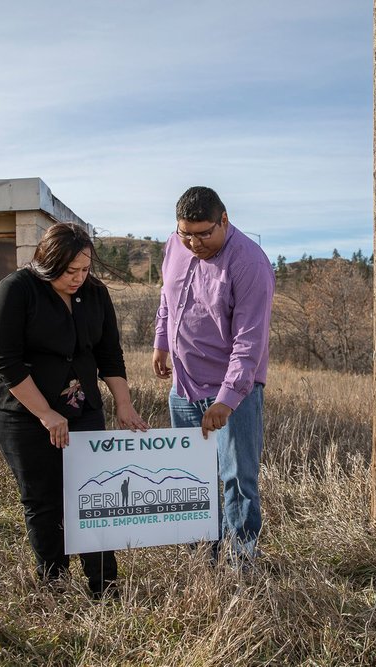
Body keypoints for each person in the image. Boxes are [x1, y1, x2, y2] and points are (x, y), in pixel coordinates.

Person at [0, 222, 148, 598]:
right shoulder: (16, 290)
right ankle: (55, 587)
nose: (78, 278)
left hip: (84, 410)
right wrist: (46, 413)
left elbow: (109, 354)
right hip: (27, 417)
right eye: (69, 271)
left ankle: (105, 590)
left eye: (85, 269)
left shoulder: (94, 293)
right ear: (47, 261)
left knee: (94, 497)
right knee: (44, 502)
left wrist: (123, 403)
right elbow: (6, 361)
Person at [152, 186, 274, 563]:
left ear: (224, 220)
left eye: (204, 233)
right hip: (183, 387)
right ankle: (201, 558)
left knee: (238, 479)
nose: (194, 243)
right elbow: (167, 297)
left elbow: (249, 341)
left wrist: (227, 399)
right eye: (186, 233)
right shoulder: (176, 245)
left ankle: (242, 562)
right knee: (190, 477)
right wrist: (161, 341)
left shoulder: (250, 263)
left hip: (231, 390)